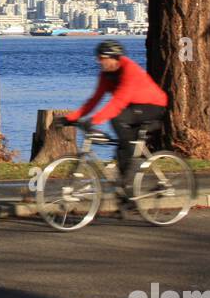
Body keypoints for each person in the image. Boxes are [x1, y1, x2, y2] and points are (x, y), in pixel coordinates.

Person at [63, 40, 169, 196]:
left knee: (118, 122)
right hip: (132, 108)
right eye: (98, 58)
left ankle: (130, 172)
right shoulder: (105, 75)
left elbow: (118, 102)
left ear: (114, 58)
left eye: (103, 58)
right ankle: (126, 190)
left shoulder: (130, 70)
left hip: (152, 106)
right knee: (121, 146)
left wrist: (95, 120)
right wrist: (72, 117)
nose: (100, 62)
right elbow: (95, 99)